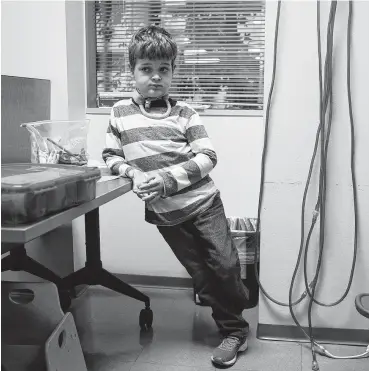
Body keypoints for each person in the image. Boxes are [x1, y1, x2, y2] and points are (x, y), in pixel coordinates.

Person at [102, 24, 249, 367]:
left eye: (163, 70)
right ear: (132, 71)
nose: (155, 77)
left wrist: (167, 179)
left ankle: (237, 302)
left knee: (224, 265)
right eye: (146, 69)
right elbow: (111, 157)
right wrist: (134, 174)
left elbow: (208, 157)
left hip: (204, 204)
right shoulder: (119, 113)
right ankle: (235, 330)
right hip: (166, 214)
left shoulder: (186, 113)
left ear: (173, 72)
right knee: (202, 275)